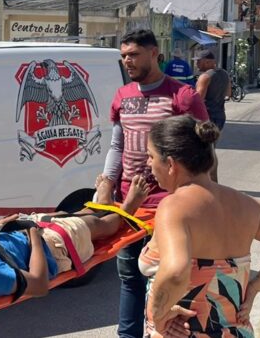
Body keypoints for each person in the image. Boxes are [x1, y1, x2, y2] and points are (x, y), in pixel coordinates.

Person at [141, 116, 260, 337]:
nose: (148, 163)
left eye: (150, 156)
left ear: (170, 164)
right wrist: (254, 287)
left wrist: (157, 317)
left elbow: (176, 271)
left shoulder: (173, 207)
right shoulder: (248, 205)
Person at [95, 29, 208, 338]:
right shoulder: (123, 96)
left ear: (155, 53)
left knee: (164, 280)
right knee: (129, 276)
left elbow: (204, 152)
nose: (127, 61)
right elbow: (117, 146)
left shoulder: (183, 96)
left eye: (133, 54)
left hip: (169, 207)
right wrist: (106, 182)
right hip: (129, 205)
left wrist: (208, 201)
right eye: (123, 56)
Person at [0, 176, 150, 303]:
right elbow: (38, 285)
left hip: (21, 233)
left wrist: (6, 223)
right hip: (50, 248)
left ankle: (103, 204)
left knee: (63, 215)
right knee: (93, 226)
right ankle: (128, 207)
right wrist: (33, 235)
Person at [194, 51, 230, 132]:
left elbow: (198, 100)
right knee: (212, 142)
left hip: (207, 116)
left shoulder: (205, 77)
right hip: (220, 115)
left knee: (200, 143)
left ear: (207, 62)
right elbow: (228, 94)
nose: (196, 63)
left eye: (198, 61)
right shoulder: (225, 74)